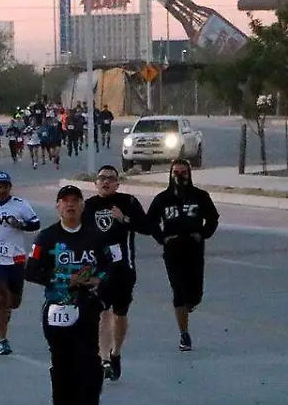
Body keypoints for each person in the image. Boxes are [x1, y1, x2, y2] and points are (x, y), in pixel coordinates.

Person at [25, 184, 111, 405]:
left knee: (90, 365)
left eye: (75, 200)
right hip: (57, 309)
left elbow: (109, 267)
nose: (70, 205)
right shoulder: (47, 238)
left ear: (82, 205)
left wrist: (96, 280)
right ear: (58, 207)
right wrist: (63, 278)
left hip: (86, 309)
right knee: (62, 367)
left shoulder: (95, 237)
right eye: (65, 201)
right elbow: (31, 271)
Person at [83, 165, 150, 381]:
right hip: (98, 269)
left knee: (120, 315)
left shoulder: (128, 202)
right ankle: (103, 359)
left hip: (124, 269)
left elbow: (146, 227)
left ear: (117, 183)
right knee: (103, 313)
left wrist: (124, 219)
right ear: (96, 183)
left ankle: (116, 353)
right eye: (101, 178)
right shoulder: (89, 206)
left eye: (110, 179)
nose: (105, 182)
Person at [147, 159, 219, 351]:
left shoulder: (200, 196)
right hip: (173, 250)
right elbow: (150, 222)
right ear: (170, 174)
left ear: (189, 174)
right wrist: (162, 239)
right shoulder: (162, 199)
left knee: (195, 295)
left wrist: (203, 234)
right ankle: (184, 335)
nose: (179, 176)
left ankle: (189, 303)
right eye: (176, 172)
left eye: (183, 172)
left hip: (194, 249)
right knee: (178, 292)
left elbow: (213, 217)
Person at [0, 171, 40, 355]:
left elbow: (36, 223)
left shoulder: (20, 206)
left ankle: (8, 310)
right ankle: (3, 340)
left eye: (5, 186)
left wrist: (21, 225)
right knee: (0, 296)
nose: (2, 190)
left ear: (10, 187)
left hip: (16, 258)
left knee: (15, 301)